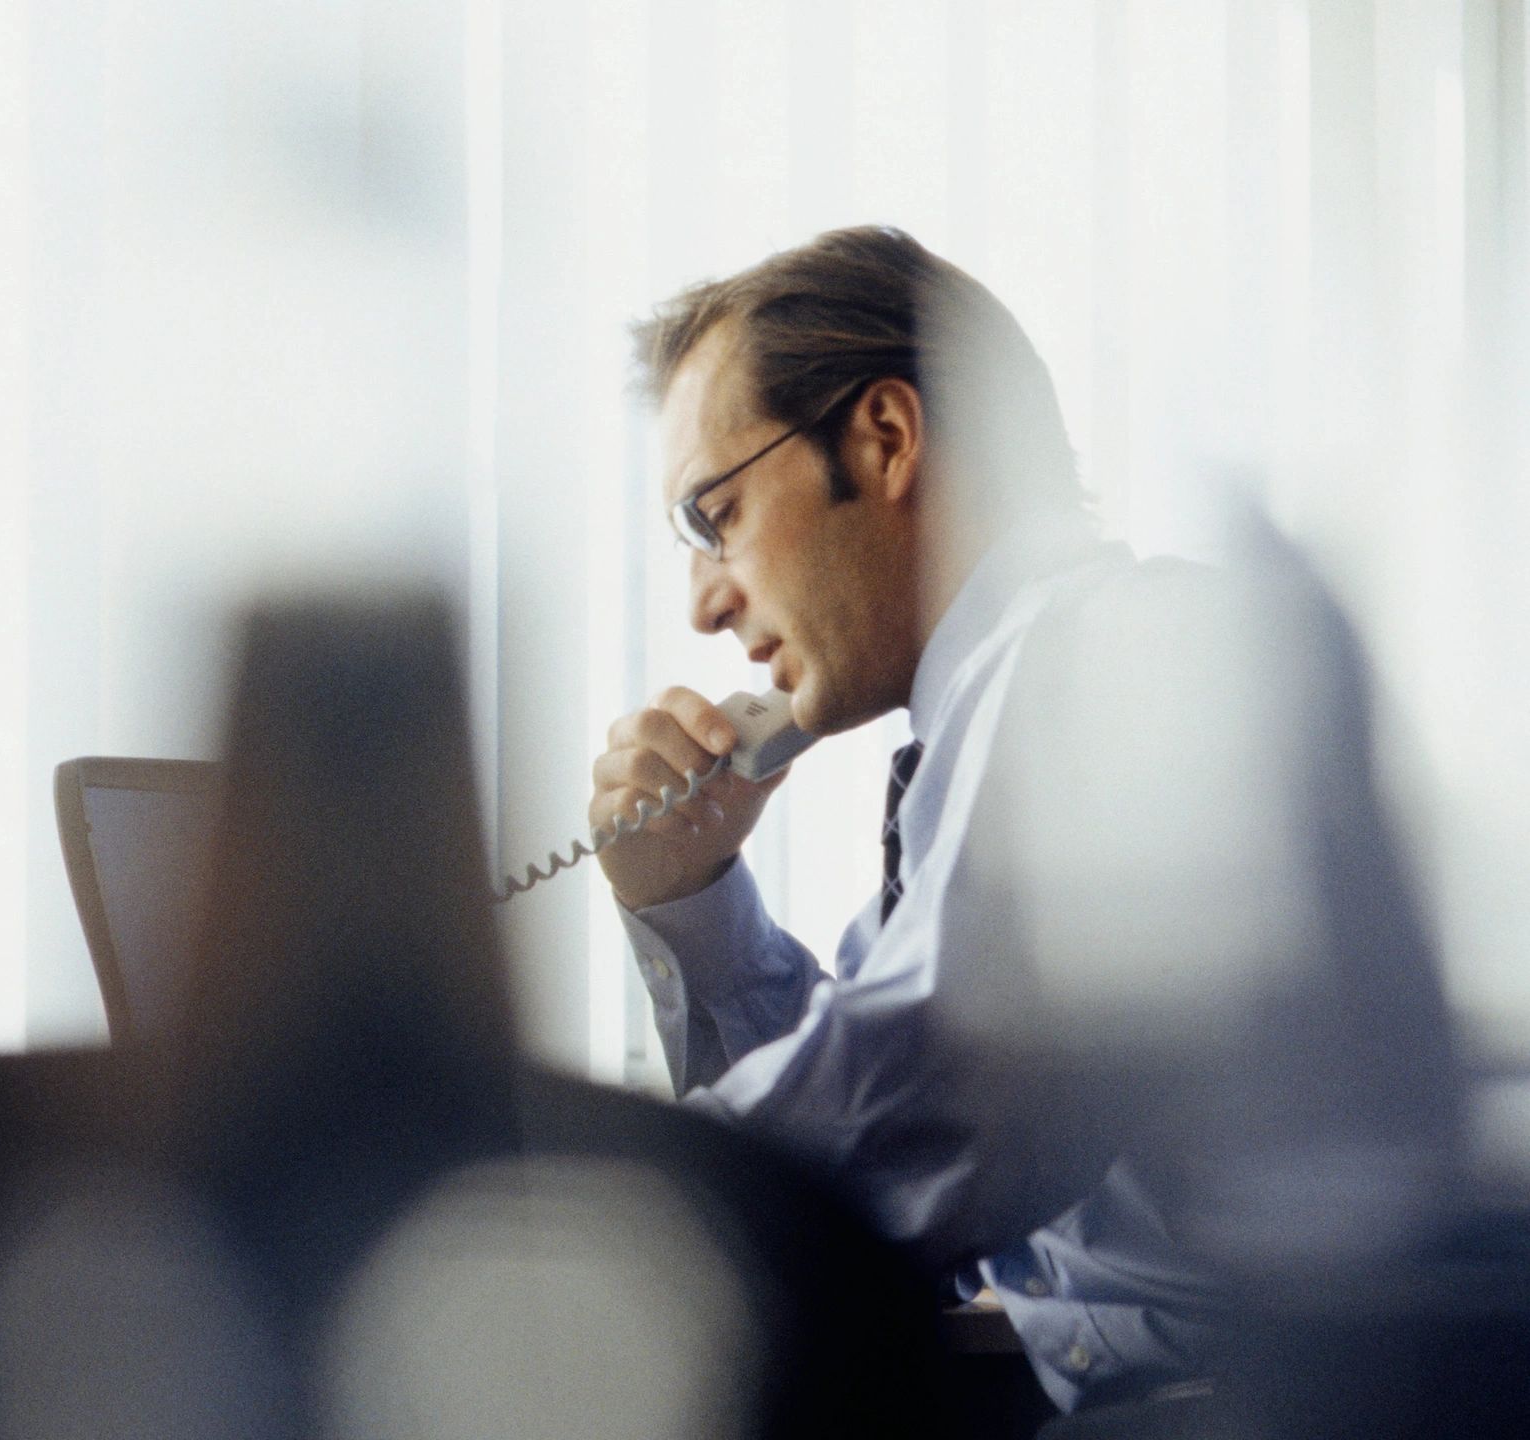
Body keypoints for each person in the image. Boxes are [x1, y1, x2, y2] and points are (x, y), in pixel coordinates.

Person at [591, 226, 1460, 1429]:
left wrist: (592, 1205)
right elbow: (869, 1132)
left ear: (883, 437)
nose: (704, 603)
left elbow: (935, 1101)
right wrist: (692, 901)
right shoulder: (984, 731)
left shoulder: (1108, 658)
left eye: (717, 514)